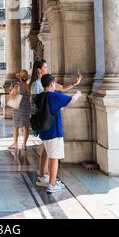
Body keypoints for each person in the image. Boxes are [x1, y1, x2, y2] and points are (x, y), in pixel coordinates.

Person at [30, 59, 83, 187]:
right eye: (45, 67)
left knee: (46, 150)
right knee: (51, 154)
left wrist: (74, 84)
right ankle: (50, 181)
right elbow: (43, 102)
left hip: (45, 122)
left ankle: (43, 176)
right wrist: (76, 93)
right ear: (39, 69)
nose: (47, 69)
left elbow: (62, 89)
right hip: (48, 123)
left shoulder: (45, 84)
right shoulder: (38, 86)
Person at [9, 69, 31, 151]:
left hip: (18, 107)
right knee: (26, 126)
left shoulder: (17, 85)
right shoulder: (29, 86)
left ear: (20, 78)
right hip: (27, 107)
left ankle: (15, 143)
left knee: (16, 126)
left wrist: (11, 91)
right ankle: (24, 144)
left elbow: (12, 96)